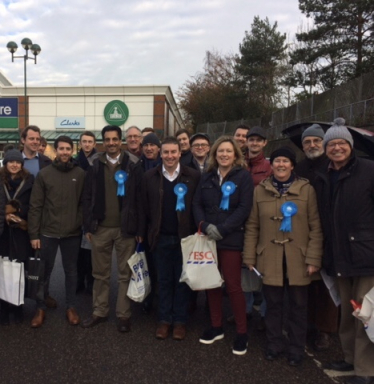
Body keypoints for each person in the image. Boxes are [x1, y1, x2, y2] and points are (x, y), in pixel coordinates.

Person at [243, 146, 323, 366]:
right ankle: (274, 344)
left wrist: (314, 258)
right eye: (277, 161)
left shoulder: (307, 190)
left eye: (285, 161)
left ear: (292, 165)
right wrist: (249, 257)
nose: (280, 165)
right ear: (272, 164)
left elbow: (315, 226)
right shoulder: (260, 190)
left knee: (298, 306)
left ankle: (297, 349)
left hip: (299, 258)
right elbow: (252, 226)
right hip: (269, 257)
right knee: (274, 304)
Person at [314, 118, 374, 384]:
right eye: (332, 144)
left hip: (366, 255)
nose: (337, 148)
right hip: (339, 255)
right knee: (347, 313)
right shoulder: (324, 176)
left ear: (350, 146)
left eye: (342, 143)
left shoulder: (369, 170)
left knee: (365, 314)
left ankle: (365, 371)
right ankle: (350, 359)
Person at [193, 136, 253, 356]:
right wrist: (205, 225)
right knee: (212, 284)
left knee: (233, 286)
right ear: (214, 155)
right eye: (220, 152)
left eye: (228, 151)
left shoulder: (243, 177)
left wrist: (224, 228)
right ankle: (216, 326)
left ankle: (241, 332)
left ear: (235, 155)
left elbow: (244, 208)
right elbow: (196, 204)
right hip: (209, 238)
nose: (224, 155)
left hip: (231, 239)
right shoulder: (207, 177)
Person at [82, 125, 143, 333]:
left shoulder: (133, 164)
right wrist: (88, 225)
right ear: (103, 142)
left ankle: (123, 314)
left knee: (125, 274)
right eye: (107, 140)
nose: (111, 143)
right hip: (100, 228)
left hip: (125, 229)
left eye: (115, 139)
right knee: (100, 274)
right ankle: (99, 311)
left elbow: (138, 198)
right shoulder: (93, 164)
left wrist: (138, 228)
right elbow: (87, 196)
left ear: (121, 141)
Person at [142, 136, 200, 340]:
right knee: (164, 280)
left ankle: (180, 321)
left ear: (180, 153)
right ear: (160, 153)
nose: (169, 156)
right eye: (165, 152)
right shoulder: (149, 176)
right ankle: (164, 320)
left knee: (182, 281)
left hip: (185, 238)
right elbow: (145, 209)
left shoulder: (192, 176)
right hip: (160, 238)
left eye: (173, 152)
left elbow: (197, 206)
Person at [28, 136, 85, 328]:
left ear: (72, 150)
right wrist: (34, 235)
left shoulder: (80, 173)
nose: (65, 152)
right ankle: (41, 307)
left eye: (68, 149)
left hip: (72, 233)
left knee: (71, 272)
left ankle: (71, 307)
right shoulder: (44, 174)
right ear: (56, 150)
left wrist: (79, 224)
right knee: (44, 272)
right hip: (48, 232)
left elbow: (84, 204)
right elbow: (35, 206)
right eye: (61, 149)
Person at [294, 123, 338, 351]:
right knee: (307, 282)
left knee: (327, 285)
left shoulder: (333, 166)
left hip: (330, 232)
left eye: (316, 141)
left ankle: (326, 330)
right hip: (303, 233)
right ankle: (309, 323)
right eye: (307, 142)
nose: (312, 145)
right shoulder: (299, 168)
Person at [0, 150, 34, 325]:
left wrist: (20, 214)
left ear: (22, 164)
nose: (14, 164)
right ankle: (3, 308)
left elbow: (33, 203)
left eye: (18, 162)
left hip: (21, 231)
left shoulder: (29, 181)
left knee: (19, 269)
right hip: (3, 233)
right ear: (6, 163)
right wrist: (4, 214)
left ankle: (18, 306)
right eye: (11, 161)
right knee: (3, 270)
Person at [75, 131, 98, 294]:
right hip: (77, 209)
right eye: (84, 141)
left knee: (91, 250)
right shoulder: (75, 162)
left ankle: (91, 280)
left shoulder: (99, 161)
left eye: (90, 141)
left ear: (94, 144)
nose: (87, 144)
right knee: (78, 250)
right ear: (80, 143)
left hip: (93, 209)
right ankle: (79, 279)